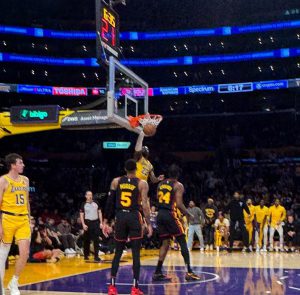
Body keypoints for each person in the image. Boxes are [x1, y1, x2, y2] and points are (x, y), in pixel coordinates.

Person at [102, 159, 152, 295]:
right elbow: (146, 206)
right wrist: (148, 223)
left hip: (120, 217)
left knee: (117, 253)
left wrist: (105, 221)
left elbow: (109, 202)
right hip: (134, 217)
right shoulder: (142, 183)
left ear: (125, 169)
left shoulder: (116, 181)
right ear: (136, 169)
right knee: (136, 254)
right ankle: (135, 288)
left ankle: (112, 287)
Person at [152, 164, 201, 282]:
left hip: (160, 214)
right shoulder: (178, 185)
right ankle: (189, 272)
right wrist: (188, 213)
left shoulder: (160, 184)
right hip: (170, 214)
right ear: (178, 174)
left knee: (165, 243)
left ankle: (158, 272)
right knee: (182, 240)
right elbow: (179, 204)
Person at [0, 153, 31, 295]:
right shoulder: (3, 180)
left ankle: (14, 282)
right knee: (3, 254)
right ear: (13, 165)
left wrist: (29, 218)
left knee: (25, 253)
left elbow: (27, 201)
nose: (23, 165)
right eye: (20, 162)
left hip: (23, 219)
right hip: (7, 218)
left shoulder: (25, 180)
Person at [80, 191, 103, 262]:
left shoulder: (96, 203)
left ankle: (96, 256)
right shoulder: (83, 204)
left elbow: (99, 212)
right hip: (87, 223)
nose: (90, 196)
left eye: (91, 195)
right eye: (88, 195)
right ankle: (86, 255)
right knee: (87, 240)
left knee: (96, 240)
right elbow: (81, 215)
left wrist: (101, 222)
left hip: (95, 222)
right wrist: (83, 224)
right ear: (86, 196)